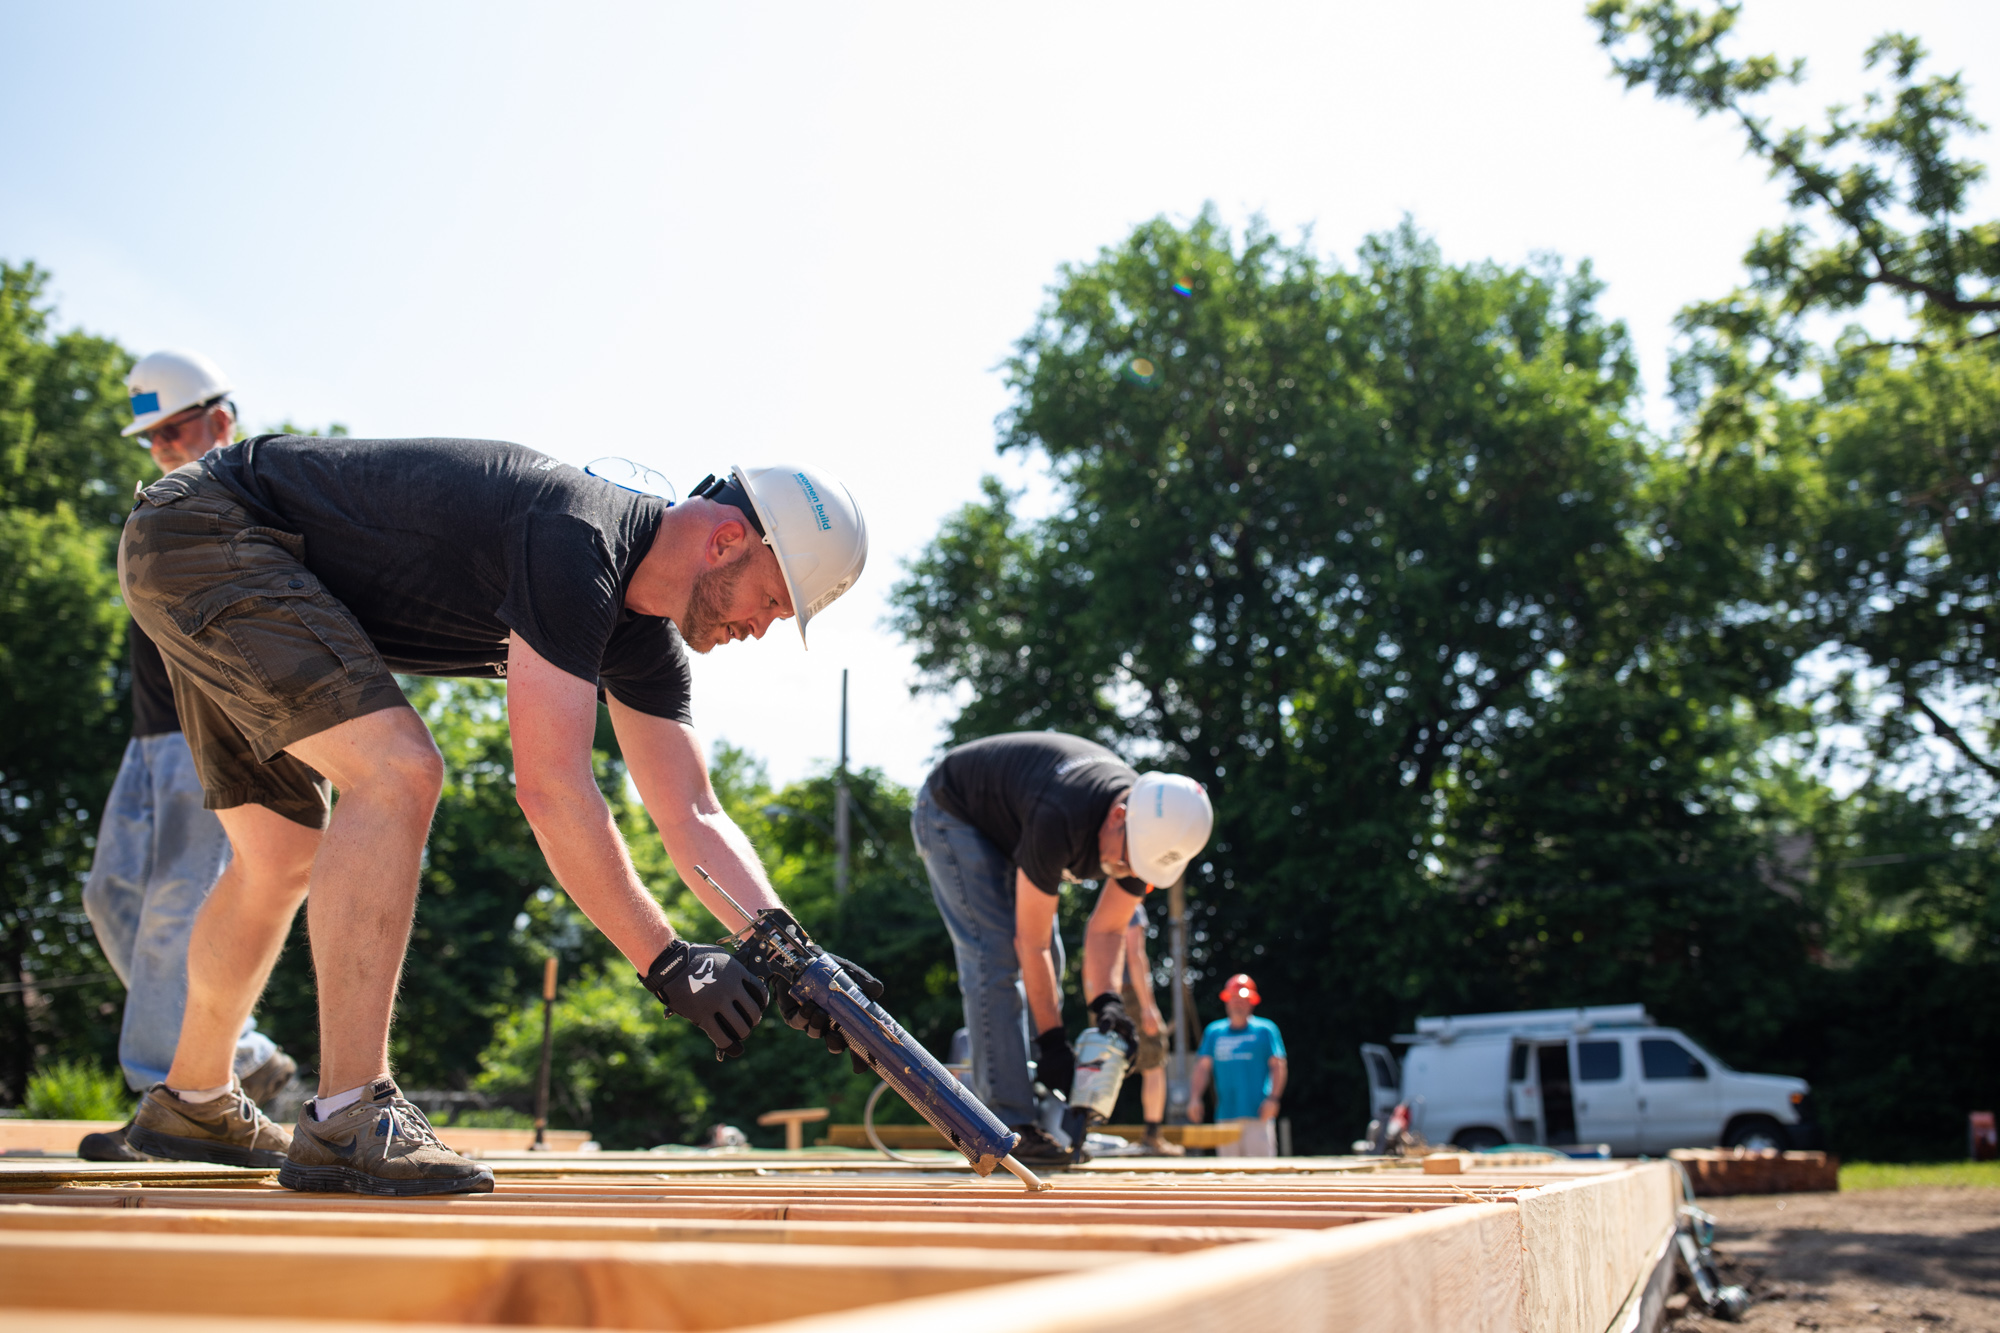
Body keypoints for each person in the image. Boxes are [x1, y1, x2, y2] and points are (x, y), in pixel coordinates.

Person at [117, 435, 870, 1195]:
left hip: (204, 544)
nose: (764, 626)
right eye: (773, 600)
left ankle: (195, 1099)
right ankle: (349, 1113)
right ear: (728, 540)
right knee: (398, 772)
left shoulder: (637, 637)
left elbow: (694, 812)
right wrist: (666, 960)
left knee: (277, 855)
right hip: (211, 531)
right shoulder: (580, 537)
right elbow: (552, 790)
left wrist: (790, 952)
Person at [78, 351, 297, 1163]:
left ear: (220, 417)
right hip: (147, 738)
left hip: (213, 732)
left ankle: (166, 1102)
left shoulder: (253, 497)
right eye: (152, 436)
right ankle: (237, 1053)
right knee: (112, 898)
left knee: (178, 905)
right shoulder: (162, 505)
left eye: (176, 427)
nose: (165, 445)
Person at [911, 732, 1214, 1165]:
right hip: (953, 811)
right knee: (994, 956)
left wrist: (1106, 1003)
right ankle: (1007, 1126)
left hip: (1014, 820)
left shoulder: (1148, 839)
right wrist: (1054, 1042)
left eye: (1140, 867)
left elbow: (1107, 931)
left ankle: (1042, 1115)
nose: (1128, 871)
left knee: (1055, 956)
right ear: (1118, 815)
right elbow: (1027, 946)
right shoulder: (1063, 814)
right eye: (1128, 859)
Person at [1188, 973, 1288, 1157]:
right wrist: (1194, 1098)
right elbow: (1202, 1067)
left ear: (1252, 1002)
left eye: (1243, 999)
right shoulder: (1214, 1032)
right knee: (1228, 1176)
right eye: (1234, 998)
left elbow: (1278, 1065)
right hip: (1226, 1116)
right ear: (1227, 1001)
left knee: (1262, 1174)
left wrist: (1273, 1099)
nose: (1238, 1004)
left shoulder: (1265, 1030)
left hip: (1258, 1114)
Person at [1118, 904, 1182, 1156]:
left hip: (1105, 990)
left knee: (1102, 1062)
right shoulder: (1131, 904)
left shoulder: (1104, 904)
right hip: (1130, 992)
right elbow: (1135, 956)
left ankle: (1079, 1132)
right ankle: (1153, 1136)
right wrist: (1148, 1007)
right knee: (1155, 1062)